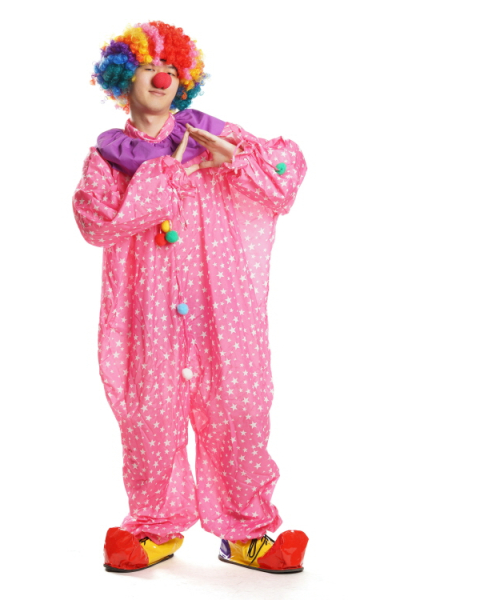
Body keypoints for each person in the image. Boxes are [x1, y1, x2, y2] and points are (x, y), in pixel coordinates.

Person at [72, 21, 309, 574]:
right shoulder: (108, 157)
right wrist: (164, 179)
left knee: (240, 407)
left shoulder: (209, 133)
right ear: (122, 80)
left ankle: (247, 532)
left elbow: (283, 179)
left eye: (172, 69)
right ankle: (155, 528)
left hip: (220, 304)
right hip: (148, 311)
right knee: (150, 417)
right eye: (148, 67)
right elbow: (95, 221)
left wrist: (238, 160)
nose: (162, 78)